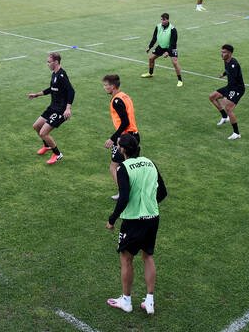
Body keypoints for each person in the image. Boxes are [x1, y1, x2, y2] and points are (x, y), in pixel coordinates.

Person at [105, 134, 168, 316]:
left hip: (133, 221)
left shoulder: (123, 168)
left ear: (123, 150)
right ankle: (149, 301)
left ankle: (126, 301)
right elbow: (162, 192)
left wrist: (112, 219)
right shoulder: (150, 163)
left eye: (118, 146)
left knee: (126, 259)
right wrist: (149, 204)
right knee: (148, 256)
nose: (117, 148)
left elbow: (123, 197)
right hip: (153, 217)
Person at [27, 52, 74, 165]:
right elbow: (51, 89)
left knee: (43, 133)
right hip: (52, 107)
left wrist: (68, 108)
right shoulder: (54, 74)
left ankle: (57, 154)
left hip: (60, 110)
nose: (47, 64)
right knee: (36, 126)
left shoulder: (62, 75)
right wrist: (37, 94)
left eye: (49, 62)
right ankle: (47, 146)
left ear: (56, 62)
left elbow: (71, 91)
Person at [102, 74, 138, 200]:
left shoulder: (117, 100)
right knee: (129, 166)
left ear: (112, 86)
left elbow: (125, 122)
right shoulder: (125, 96)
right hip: (134, 135)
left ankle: (124, 194)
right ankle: (133, 191)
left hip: (126, 138)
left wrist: (113, 139)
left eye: (106, 85)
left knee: (114, 167)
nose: (104, 87)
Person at [209, 44, 245, 140]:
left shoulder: (234, 65)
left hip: (237, 89)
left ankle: (236, 133)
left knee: (228, 108)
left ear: (229, 53)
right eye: (221, 52)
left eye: (224, 52)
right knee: (212, 97)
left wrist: (226, 97)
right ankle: (225, 117)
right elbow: (227, 70)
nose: (222, 54)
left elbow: (233, 81)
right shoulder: (226, 60)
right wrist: (223, 74)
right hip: (230, 86)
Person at [141, 13, 184, 87]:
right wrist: (149, 47)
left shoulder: (173, 29)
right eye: (161, 19)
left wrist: (168, 52)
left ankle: (180, 80)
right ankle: (150, 73)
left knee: (175, 62)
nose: (162, 21)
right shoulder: (158, 26)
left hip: (171, 47)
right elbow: (154, 38)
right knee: (151, 58)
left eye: (164, 20)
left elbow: (173, 43)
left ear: (167, 20)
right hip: (161, 47)